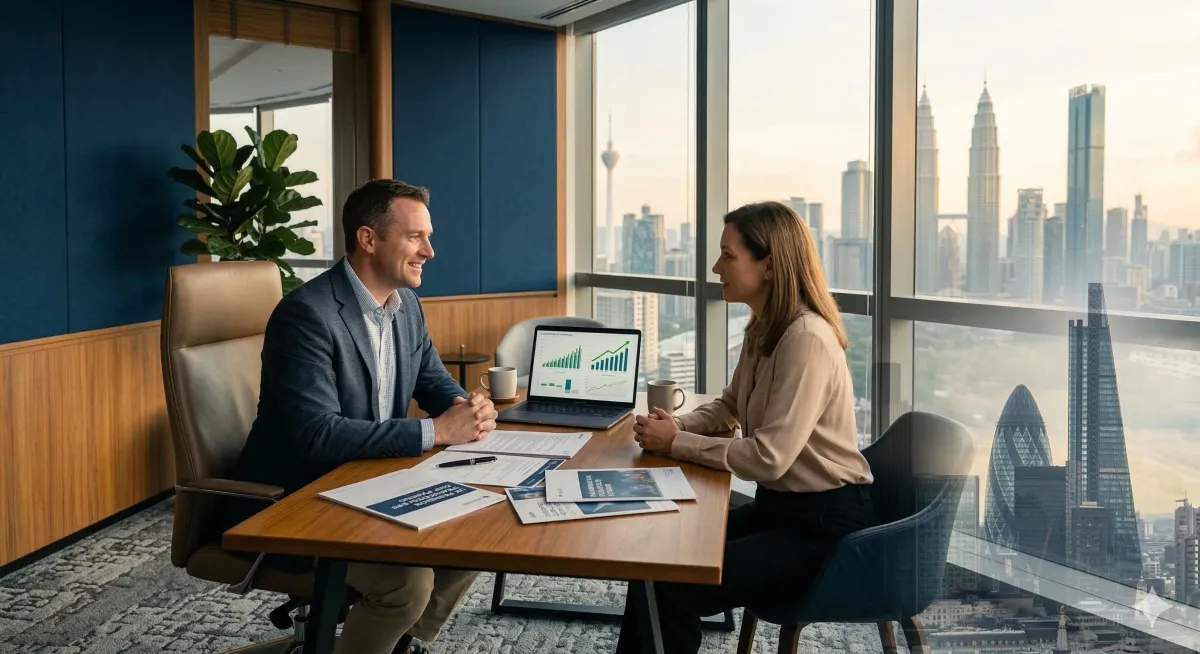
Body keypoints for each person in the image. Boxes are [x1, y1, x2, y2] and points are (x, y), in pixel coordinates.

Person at [225, 179, 497, 654]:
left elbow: (431, 380)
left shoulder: (405, 305)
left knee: (477, 533)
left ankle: (392, 642)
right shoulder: (307, 315)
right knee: (406, 586)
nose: (429, 251)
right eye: (415, 237)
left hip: (370, 484)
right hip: (298, 501)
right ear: (368, 239)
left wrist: (465, 408)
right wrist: (436, 432)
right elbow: (317, 436)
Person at [617, 201, 878, 653]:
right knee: (656, 555)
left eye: (727, 255)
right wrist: (676, 423)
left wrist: (678, 443)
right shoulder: (764, 327)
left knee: (673, 582)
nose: (716, 267)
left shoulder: (806, 340)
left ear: (770, 265)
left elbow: (769, 459)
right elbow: (730, 405)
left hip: (821, 529)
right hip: (779, 511)